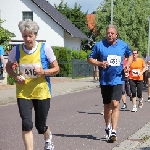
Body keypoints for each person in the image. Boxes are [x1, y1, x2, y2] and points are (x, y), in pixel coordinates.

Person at [6, 19, 59, 150]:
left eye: (30, 35)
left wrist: (43, 72)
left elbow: (57, 68)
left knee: (40, 126)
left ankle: (48, 138)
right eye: (25, 36)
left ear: (36, 35)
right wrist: (16, 76)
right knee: (26, 123)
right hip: (23, 92)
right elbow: (8, 68)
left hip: (42, 92)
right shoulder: (16, 50)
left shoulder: (45, 48)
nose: (27, 39)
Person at [87, 24, 133, 143]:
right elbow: (90, 59)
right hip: (105, 80)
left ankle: (114, 130)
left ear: (116, 34)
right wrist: (100, 64)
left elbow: (130, 54)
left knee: (115, 104)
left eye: (112, 33)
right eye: (108, 33)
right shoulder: (99, 45)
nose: (110, 35)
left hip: (118, 79)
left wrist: (127, 65)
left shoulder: (123, 45)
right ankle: (107, 126)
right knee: (107, 106)